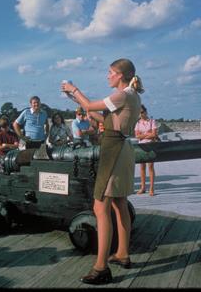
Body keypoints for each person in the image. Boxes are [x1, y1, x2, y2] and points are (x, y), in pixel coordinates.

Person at [61, 58, 143, 285]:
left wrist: (73, 89)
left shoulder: (122, 95)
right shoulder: (133, 96)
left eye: (110, 72)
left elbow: (89, 106)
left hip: (113, 151)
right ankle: (123, 253)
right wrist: (78, 101)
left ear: (120, 75)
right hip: (123, 148)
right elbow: (110, 119)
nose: (107, 76)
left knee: (100, 207)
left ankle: (101, 268)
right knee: (119, 203)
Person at [135, 104, 157, 196]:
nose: (141, 114)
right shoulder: (138, 123)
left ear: (145, 111)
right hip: (141, 146)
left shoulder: (152, 121)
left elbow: (154, 135)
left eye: (142, 112)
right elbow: (137, 136)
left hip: (150, 145)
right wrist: (147, 134)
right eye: (139, 113)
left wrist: (143, 135)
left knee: (150, 167)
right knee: (142, 167)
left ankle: (151, 188)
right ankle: (142, 187)